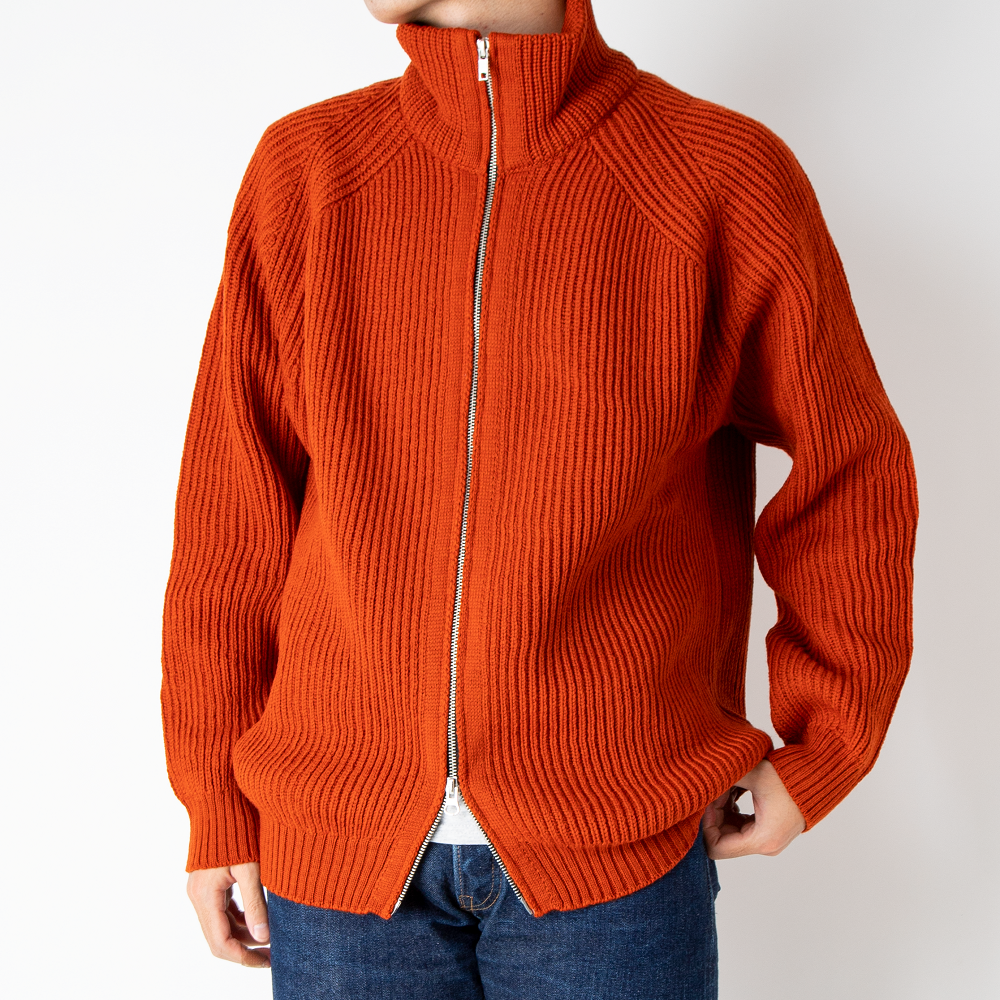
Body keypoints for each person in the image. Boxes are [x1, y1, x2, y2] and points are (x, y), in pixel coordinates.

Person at [160, 0, 918, 996]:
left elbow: (848, 466)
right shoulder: (309, 170)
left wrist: (825, 744)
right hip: (337, 859)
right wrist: (215, 797)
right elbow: (231, 511)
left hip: (618, 859)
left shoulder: (717, 173)